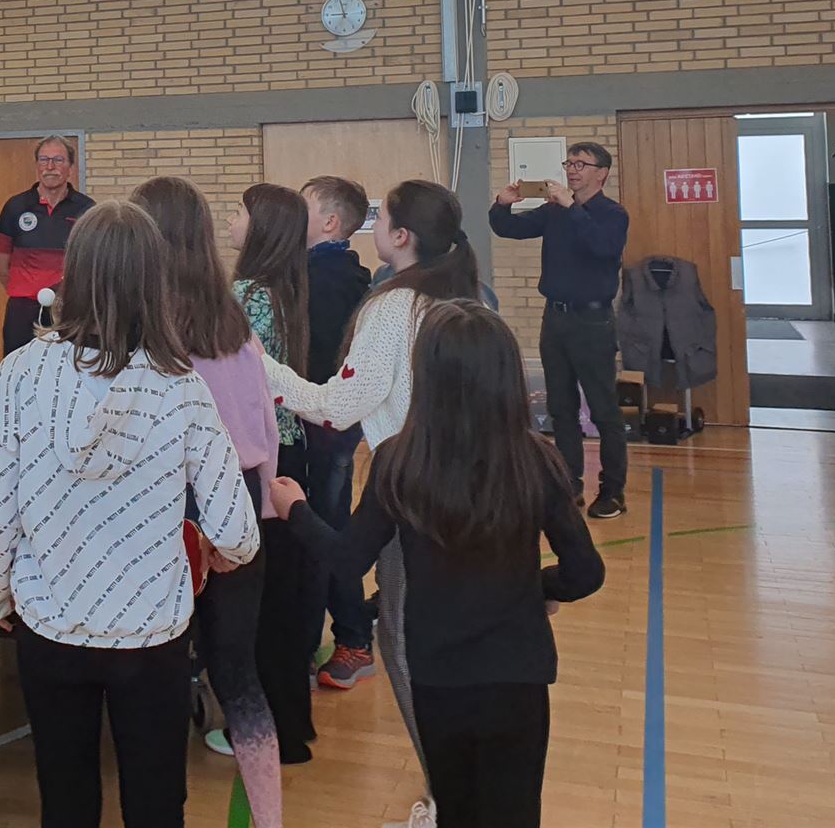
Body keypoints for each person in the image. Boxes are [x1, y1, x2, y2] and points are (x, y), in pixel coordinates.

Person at [0, 200, 258, 828]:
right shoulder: (180, 384)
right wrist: (222, 554)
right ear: (155, 281)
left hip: (50, 623)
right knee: (157, 804)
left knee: (65, 800)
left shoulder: (19, 373)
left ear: (75, 273)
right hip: (151, 632)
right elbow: (237, 530)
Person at [267, 300, 605, 828]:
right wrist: (537, 587)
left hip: (438, 677)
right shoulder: (535, 458)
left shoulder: (399, 460)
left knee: (456, 809)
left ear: (427, 376)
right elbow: (586, 573)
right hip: (517, 677)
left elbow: (347, 561)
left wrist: (297, 512)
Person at [258, 179, 480, 828]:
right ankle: (453, 793)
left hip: (416, 501)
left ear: (401, 236)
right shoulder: (457, 294)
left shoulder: (394, 307)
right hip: (463, 495)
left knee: (406, 647)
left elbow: (340, 405)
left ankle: (447, 802)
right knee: (437, 651)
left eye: (383, 218)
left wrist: (262, 367)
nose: (374, 225)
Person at [132, 177, 284, 820]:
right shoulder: (233, 323)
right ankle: (269, 816)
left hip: (173, 507)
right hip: (240, 502)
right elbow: (263, 424)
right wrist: (263, 507)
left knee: (164, 666)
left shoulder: (148, 332)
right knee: (237, 670)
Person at [224, 182, 318, 764]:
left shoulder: (245, 295)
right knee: (284, 594)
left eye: (239, 212)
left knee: (257, 601)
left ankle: (265, 730)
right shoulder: (285, 289)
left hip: (259, 455)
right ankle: (290, 719)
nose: (230, 220)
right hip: (291, 448)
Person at [489, 141, 631, 518]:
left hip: (593, 321)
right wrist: (502, 204)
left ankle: (613, 491)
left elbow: (603, 248)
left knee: (603, 408)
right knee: (561, 407)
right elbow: (508, 229)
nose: (572, 170)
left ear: (602, 173)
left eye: (582, 165)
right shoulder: (553, 211)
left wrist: (573, 208)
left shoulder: (612, 214)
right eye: (570, 163)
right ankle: (569, 483)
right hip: (555, 319)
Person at [298, 174, 375, 692]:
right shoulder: (324, 270)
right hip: (321, 420)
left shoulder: (329, 278)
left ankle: (354, 639)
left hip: (327, 425)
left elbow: (315, 360)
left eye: (303, 207)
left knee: (327, 527)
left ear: (329, 222)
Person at [0, 136, 94, 354]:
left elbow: (92, 263)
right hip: (22, 310)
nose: (50, 166)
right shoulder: (15, 207)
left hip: (69, 309)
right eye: (44, 159)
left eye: (58, 160)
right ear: (37, 165)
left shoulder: (87, 209)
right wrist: (26, 289)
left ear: (71, 167)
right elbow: (0, 263)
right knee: (17, 367)